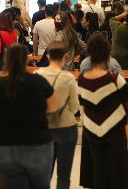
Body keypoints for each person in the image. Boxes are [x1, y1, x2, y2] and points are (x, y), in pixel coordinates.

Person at [0, 44, 57, 189]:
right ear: (26, 60)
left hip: (4, 146)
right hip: (38, 143)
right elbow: (53, 106)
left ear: (6, 60)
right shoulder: (39, 82)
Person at [78, 34, 128, 189]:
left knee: (98, 167)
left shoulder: (82, 79)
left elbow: (81, 101)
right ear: (107, 53)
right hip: (115, 129)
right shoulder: (114, 77)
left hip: (91, 130)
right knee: (119, 168)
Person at [36, 42, 79, 189]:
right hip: (66, 128)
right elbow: (74, 107)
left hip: (43, 129)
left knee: (43, 173)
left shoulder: (37, 75)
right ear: (65, 56)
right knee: (63, 175)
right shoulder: (68, 78)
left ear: (47, 56)